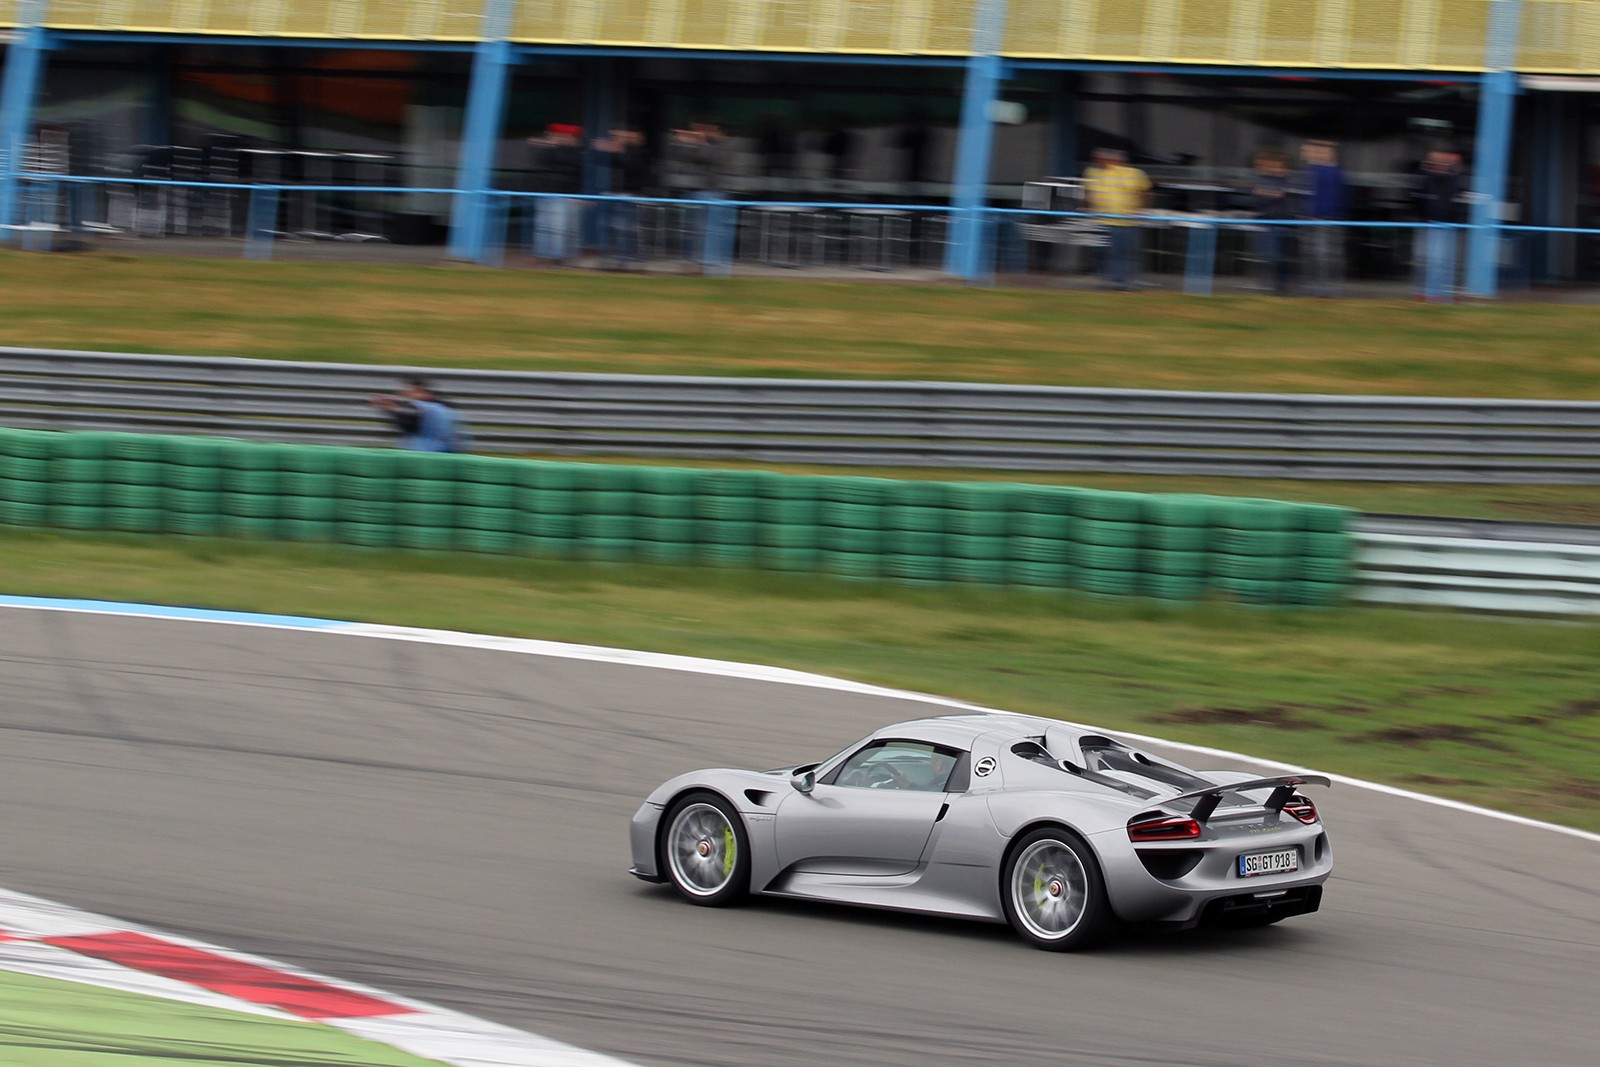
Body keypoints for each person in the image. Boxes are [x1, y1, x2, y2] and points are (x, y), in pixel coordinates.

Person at [1083, 147, 1152, 291]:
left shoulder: (1133, 174)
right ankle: (1109, 280)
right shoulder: (1094, 173)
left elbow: (1144, 192)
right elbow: (1088, 193)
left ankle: (1125, 281)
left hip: (1126, 221)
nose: (1102, 162)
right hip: (1102, 220)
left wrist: (1139, 210)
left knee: (1126, 253)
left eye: (1105, 159)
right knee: (1103, 253)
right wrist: (1088, 208)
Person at [527, 123, 584, 266]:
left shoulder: (575, 153)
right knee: (543, 227)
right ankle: (542, 255)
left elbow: (566, 166)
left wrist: (552, 146)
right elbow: (540, 164)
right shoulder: (551, 150)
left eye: (563, 136)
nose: (558, 138)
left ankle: (558, 258)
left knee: (559, 229)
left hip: (565, 195)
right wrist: (547, 146)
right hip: (546, 193)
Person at [1413, 147, 1465, 299]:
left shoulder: (1453, 180)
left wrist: (1452, 165)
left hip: (1446, 226)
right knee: (1425, 261)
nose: (1441, 165)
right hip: (1427, 224)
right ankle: (1423, 292)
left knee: (1442, 262)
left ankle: (1441, 293)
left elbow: (1456, 196)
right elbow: (1420, 189)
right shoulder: (1427, 178)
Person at [594, 125, 648, 269]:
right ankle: (611, 256)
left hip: (630, 194)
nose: (620, 139)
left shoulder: (637, 152)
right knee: (608, 227)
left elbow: (629, 164)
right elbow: (602, 160)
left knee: (626, 228)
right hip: (613, 193)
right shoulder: (621, 152)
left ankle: (625, 258)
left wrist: (616, 149)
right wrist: (602, 149)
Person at [1298, 140, 1347, 297]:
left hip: (1325, 219)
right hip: (1311, 219)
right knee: (1312, 253)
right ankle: (1313, 286)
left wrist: (1324, 216)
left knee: (1324, 255)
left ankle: (1326, 287)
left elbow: (1334, 198)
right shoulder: (1308, 171)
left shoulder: (1331, 173)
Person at [369, 377, 466, 452]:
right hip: (450, 450)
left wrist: (389, 409)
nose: (409, 397)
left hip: (427, 453)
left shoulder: (422, 407)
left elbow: (407, 422)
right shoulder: (445, 406)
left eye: (411, 392)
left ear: (420, 391)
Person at [1249, 148, 1294, 294]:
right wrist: (1271, 194)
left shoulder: (1286, 181)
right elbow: (1258, 197)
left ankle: (1280, 286)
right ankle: (1267, 284)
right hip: (1264, 222)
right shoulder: (1261, 180)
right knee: (1265, 255)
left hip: (1281, 223)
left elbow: (1282, 196)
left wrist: (1268, 193)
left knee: (1279, 256)